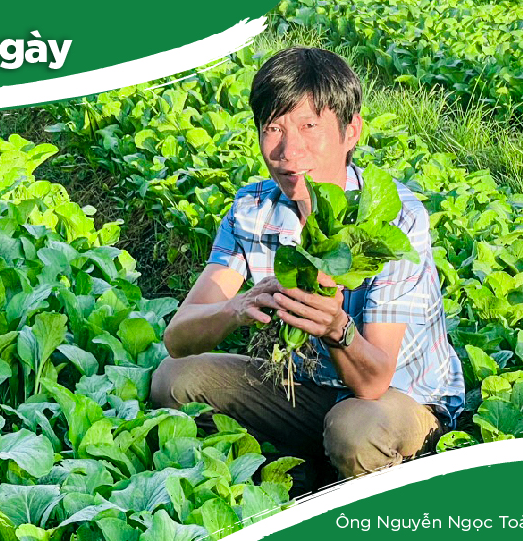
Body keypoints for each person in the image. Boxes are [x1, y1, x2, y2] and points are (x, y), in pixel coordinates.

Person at [149, 46, 464, 490]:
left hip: (400, 399)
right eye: (273, 128)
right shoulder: (251, 210)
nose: (288, 149)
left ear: (350, 130)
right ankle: (308, 473)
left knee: (354, 431)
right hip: (311, 390)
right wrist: (237, 308)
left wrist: (336, 328)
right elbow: (178, 337)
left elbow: (373, 380)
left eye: (308, 126)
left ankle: (381, 477)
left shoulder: (394, 219)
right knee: (173, 380)